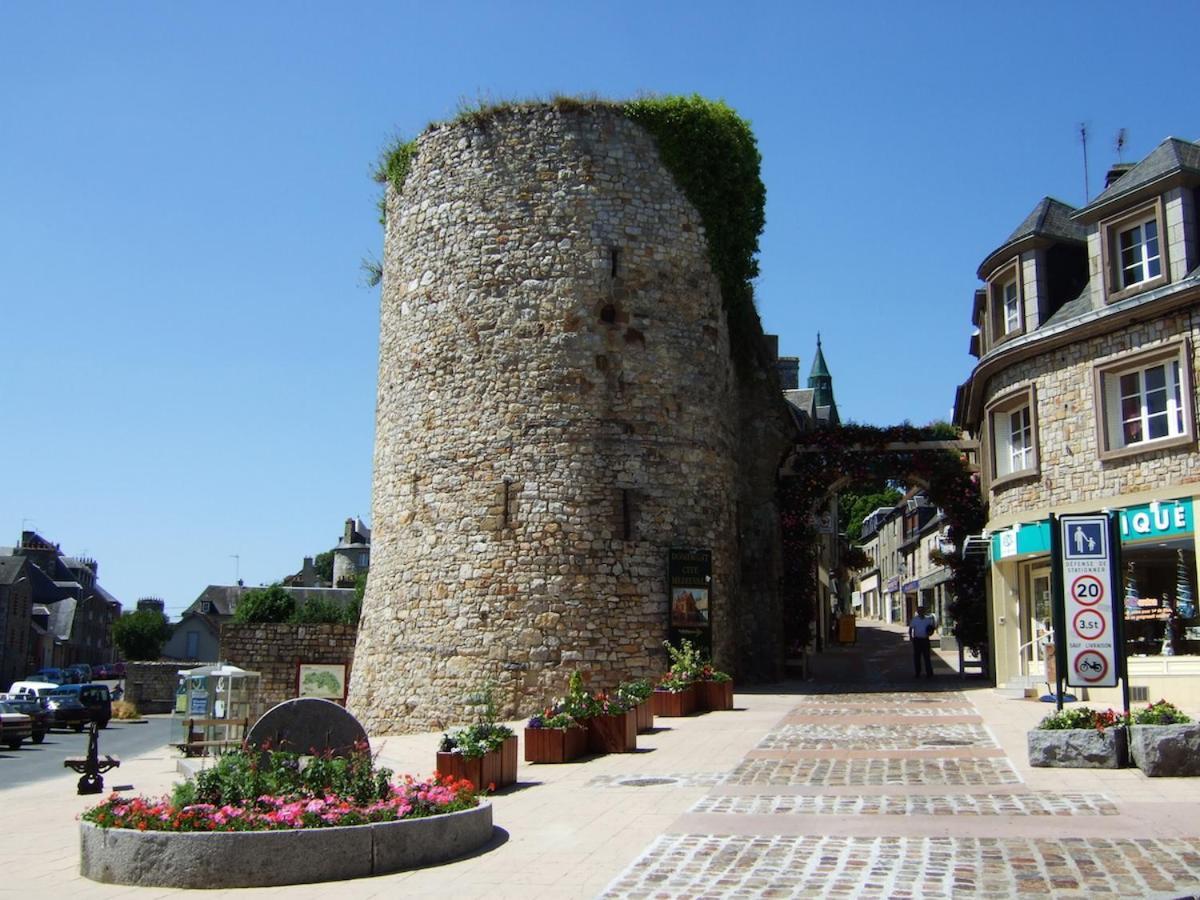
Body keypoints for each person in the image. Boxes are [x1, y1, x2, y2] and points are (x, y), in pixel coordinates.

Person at [908, 605, 937, 677]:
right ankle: (917, 672)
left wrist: (930, 633)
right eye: (919, 611)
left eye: (922, 611)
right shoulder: (915, 619)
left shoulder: (928, 620)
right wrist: (911, 637)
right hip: (917, 640)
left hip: (925, 640)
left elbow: (931, 628)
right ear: (917, 612)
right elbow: (911, 628)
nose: (920, 612)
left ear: (924, 612)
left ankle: (929, 673)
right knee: (917, 657)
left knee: (927, 657)